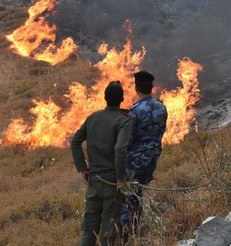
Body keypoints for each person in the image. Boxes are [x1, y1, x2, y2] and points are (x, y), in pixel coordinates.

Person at [71, 81, 133, 246]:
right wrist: (120, 178)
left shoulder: (93, 118)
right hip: (112, 183)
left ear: (105, 98)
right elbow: (120, 149)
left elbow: (75, 141)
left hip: (94, 181)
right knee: (109, 230)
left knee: (89, 229)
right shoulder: (124, 120)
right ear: (122, 99)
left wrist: (83, 169)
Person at [121, 70, 168, 240]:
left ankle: (128, 235)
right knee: (138, 193)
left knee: (129, 196)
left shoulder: (135, 112)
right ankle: (135, 227)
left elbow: (128, 140)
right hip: (153, 158)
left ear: (136, 88)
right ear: (152, 87)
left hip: (136, 161)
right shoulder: (161, 107)